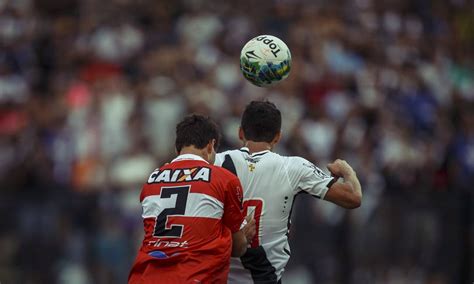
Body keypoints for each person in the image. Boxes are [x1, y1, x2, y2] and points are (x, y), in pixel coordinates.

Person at [215, 101, 362, 283]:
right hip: (266, 278)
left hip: (221, 277)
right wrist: (347, 170)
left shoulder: (215, 163)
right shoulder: (293, 167)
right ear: (277, 137)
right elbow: (353, 197)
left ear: (240, 132)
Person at [129, 114, 256, 283]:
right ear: (211, 146)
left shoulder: (152, 179)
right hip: (194, 277)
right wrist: (245, 237)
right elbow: (237, 248)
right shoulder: (224, 179)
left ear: (177, 149)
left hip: (145, 277)